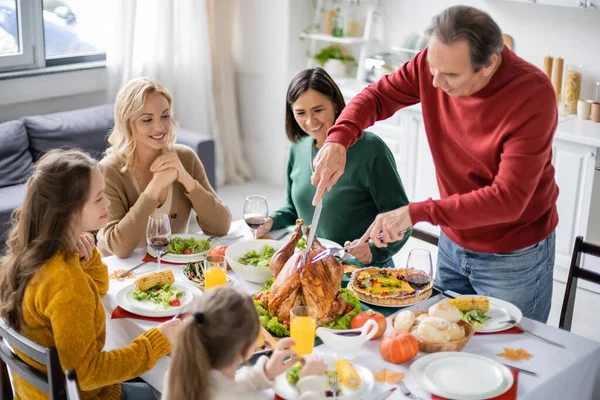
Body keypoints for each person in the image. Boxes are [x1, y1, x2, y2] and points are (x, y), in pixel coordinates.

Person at [310, 6, 558, 323]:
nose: (435, 83)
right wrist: (338, 138)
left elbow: (508, 199)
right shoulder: (436, 65)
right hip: (453, 242)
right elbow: (377, 96)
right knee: (444, 337)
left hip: (512, 256)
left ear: (490, 64)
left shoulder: (531, 95)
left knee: (512, 356)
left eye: (451, 75)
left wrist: (416, 212)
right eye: (431, 67)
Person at [0, 149, 182, 399]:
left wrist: (89, 253)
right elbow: (87, 374)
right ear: (68, 211)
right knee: (170, 387)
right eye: (98, 199)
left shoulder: (32, 255)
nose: (107, 203)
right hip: (89, 394)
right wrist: (156, 341)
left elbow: (97, 287)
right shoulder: (66, 282)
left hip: (34, 394)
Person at [257, 67, 410, 268]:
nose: (310, 121)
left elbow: (402, 220)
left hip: (360, 270)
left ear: (336, 105)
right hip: (313, 267)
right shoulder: (298, 147)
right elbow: (295, 210)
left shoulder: (371, 150)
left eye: (318, 110)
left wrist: (371, 251)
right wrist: (271, 221)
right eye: (301, 113)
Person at [97, 77, 231, 258]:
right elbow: (119, 248)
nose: (159, 127)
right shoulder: (108, 171)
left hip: (170, 270)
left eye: (165, 116)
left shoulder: (185, 157)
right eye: (147, 120)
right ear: (127, 123)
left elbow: (221, 227)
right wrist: (154, 188)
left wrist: (186, 180)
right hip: (119, 275)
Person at [164, 286, 328, 400]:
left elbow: (221, 388)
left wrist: (263, 373)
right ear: (249, 347)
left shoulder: (178, 374)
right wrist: (311, 384)